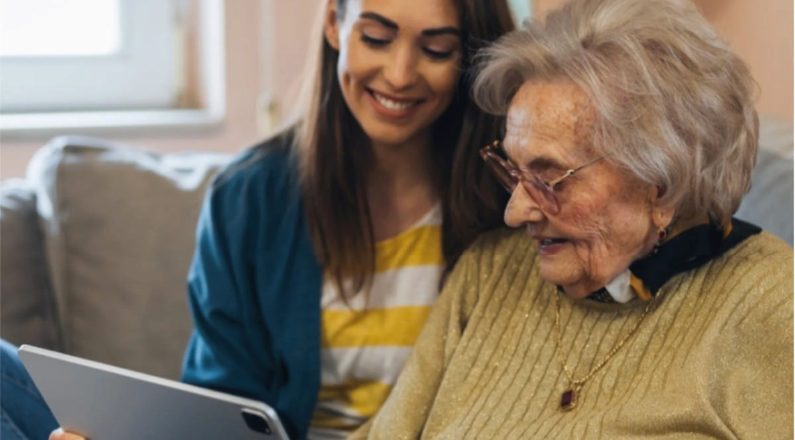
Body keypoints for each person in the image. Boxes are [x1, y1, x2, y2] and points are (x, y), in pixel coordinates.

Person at [0, 1, 515, 439]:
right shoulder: (250, 195)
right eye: (377, 37)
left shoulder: (509, 201)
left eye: (436, 49)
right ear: (334, 25)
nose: (400, 74)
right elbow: (220, 401)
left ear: (470, 55)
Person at [353, 0, 793, 438]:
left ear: (662, 185)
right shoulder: (490, 273)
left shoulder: (772, 307)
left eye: (549, 179)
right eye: (512, 170)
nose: (515, 212)